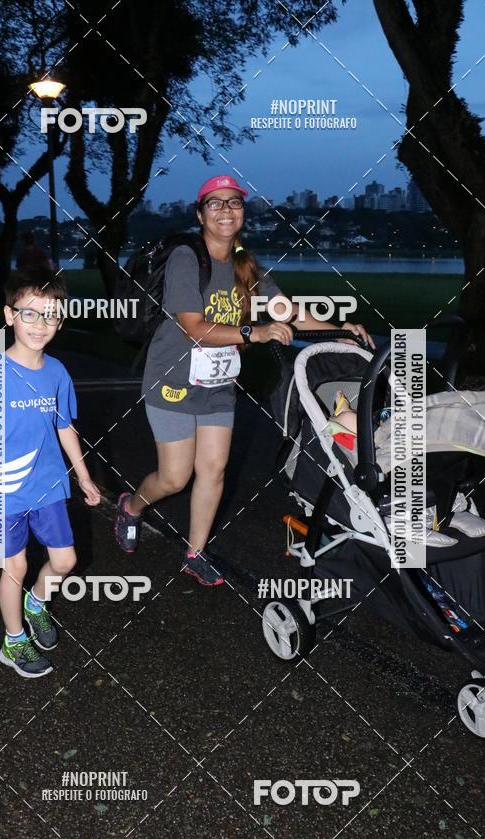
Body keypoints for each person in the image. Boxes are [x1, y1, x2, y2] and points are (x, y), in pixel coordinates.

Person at [114, 174, 375, 585]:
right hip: (172, 382)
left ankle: (195, 554)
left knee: (214, 471)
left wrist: (339, 329)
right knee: (174, 477)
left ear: (243, 213)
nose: (225, 210)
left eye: (234, 203)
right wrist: (255, 332)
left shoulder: (245, 265)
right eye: (215, 203)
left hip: (218, 387)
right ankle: (131, 506)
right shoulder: (187, 257)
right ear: (200, 214)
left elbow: (287, 312)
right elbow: (193, 327)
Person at [0, 267, 101, 678]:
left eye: (51, 314)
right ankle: (13, 639)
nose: (41, 324)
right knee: (15, 568)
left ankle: (36, 603)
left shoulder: (57, 372)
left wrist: (84, 475)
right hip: (3, 492)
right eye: (30, 313)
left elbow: (64, 427)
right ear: (9, 316)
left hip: (48, 487)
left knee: (65, 561)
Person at [327, 388, 485, 543]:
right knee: (445, 420)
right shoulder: (362, 442)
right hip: (388, 466)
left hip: (420, 467)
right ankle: (346, 414)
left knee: (444, 420)